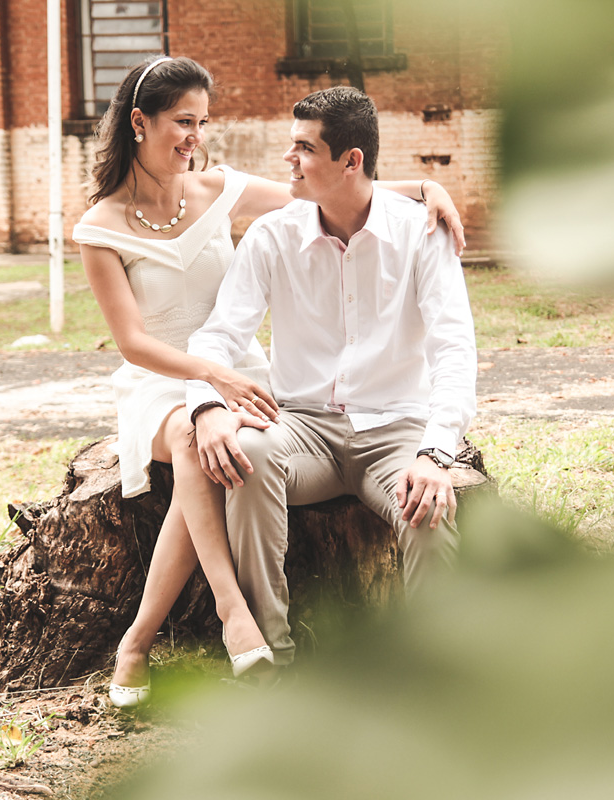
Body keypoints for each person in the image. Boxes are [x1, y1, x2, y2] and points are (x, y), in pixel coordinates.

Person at [73, 57, 465, 706]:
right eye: (183, 122)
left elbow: (335, 188)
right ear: (139, 123)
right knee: (224, 452)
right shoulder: (102, 224)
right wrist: (207, 398)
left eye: (201, 122)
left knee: (419, 504)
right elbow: (138, 343)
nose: (195, 136)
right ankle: (250, 638)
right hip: (171, 379)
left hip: (266, 388)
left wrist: (422, 188)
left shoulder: (224, 191)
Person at [186, 86, 477, 668]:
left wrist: (437, 452)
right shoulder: (273, 235)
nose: (288, 160)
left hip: (395, 428)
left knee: (428, 505)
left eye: (303, 148)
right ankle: (270, 653)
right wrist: (206, 405)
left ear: (351, 161)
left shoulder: (421, 232)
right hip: (303, 428)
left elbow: (454, 348)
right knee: (247, 452)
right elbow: (217, 337)